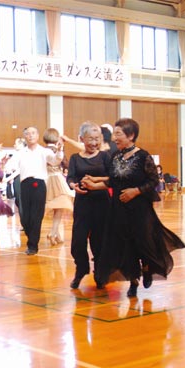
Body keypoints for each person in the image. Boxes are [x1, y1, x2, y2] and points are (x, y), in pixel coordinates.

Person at [83, 118, 185, 297]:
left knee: (143, 244)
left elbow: (153, 181)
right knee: (125, 247)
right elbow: (114, 181)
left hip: (140, 211)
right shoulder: (115, 156)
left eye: (118, 134)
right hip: (118, 210)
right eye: (114, 134)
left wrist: (136, 191)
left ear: (131, 136)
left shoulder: (143, 156)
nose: (114, 138)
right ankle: (133, 281)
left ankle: (147, 268)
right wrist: (94, 184)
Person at [64, 122, 111, 289]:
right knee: (78, 240)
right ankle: (81, 268)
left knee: (99, 240)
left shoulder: (105, 156)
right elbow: (70, 177)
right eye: (90, 139)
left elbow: (112, 177)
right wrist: (73, 186)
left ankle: (100, 272)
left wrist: (96, 182)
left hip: (102, 203)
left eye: (97, 139)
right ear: (81, 139)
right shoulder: (75, 158)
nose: (94, 143)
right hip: (82, 203)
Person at [18, 126, 64, 255]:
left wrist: (59, 151)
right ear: (25, 136)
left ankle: (33, 246)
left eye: (33, 133)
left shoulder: (44, 151)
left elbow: (55, 161)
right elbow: (11, 166)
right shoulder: (21, 152)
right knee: (25, 218)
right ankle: (31, 237)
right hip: (24, 184)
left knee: (36, 216)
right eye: (28, 133)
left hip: (39, 184)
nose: (30, 135)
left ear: (37, 136)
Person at [42, 128, 73, 245]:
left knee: (56, 207)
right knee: (59, 208)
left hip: (45, 180)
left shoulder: (42, 150)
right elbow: (65, 163)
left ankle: (56, 234)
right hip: (56, 180)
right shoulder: (56, 151)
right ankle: (53, 233)